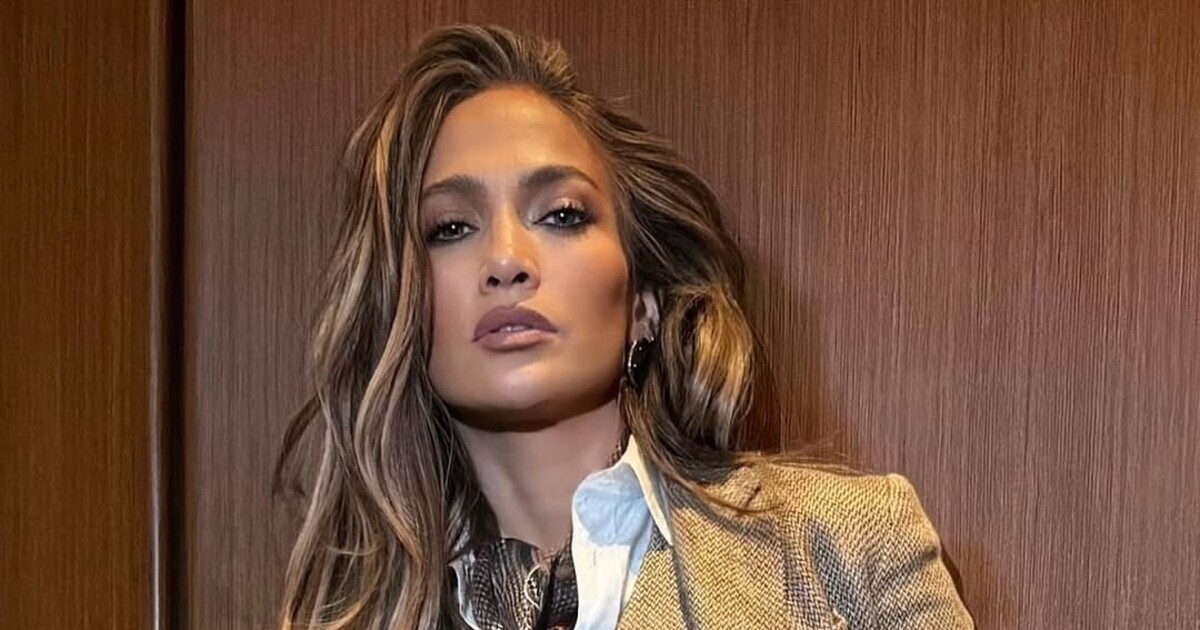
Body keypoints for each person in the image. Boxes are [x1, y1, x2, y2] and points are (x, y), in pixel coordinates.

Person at [275, 23, 974, 630]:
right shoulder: (342, 612)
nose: (507, 260)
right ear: (400, 304)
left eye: (562, 215)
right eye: (451, 228)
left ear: (644, 301)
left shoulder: (850, 550)